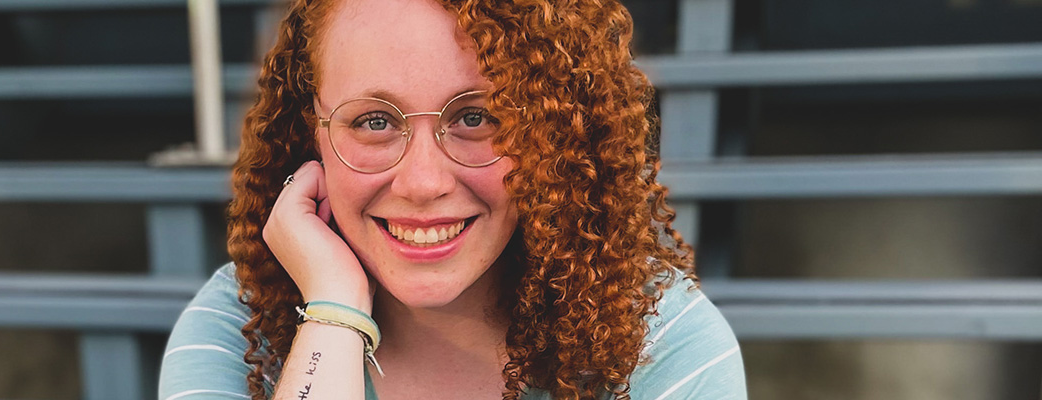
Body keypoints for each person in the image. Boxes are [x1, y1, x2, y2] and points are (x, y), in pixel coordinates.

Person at [159, 0, 746, 398]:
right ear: (311, 133)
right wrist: (334, 313)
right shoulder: (235, 328)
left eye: (476, 116)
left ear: (556, 131)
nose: (422, 182)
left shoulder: (659, 342)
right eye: (372, 121)